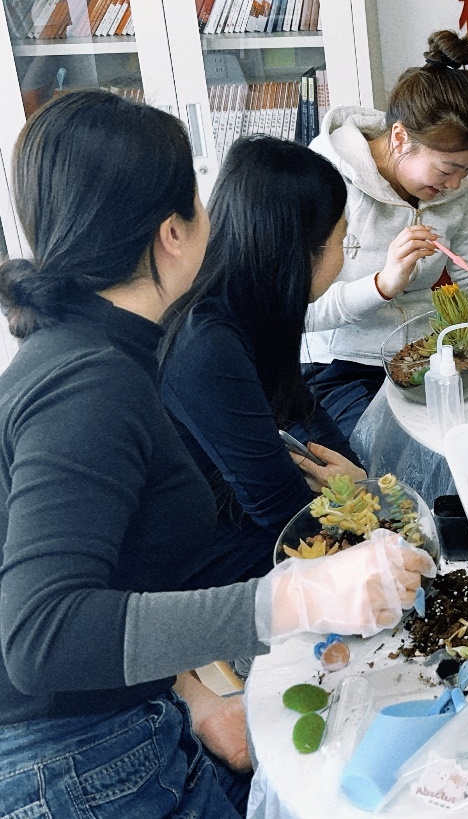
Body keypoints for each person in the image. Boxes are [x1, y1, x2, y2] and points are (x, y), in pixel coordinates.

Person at [0, 91, 432, 817]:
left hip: (120, 719)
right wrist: (296, 596)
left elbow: (117, 570)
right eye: (200, 204)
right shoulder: (90, 384)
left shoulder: (95, 350)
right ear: (173, 232)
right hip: (75, 761)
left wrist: (194, 697)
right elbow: (43, 634)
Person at [304, 29, 468, 438]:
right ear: (400, 138)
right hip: (339, 369)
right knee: (386, 453)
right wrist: (381, 285)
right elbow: (298, 313)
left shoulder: (452, 194)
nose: (456, 185)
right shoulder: (323, 181)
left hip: (427, 357)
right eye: (447, 169)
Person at [160, 135, 365, 587]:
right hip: (194, 554)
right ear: (303, 250)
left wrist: (358, 479)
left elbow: (301, 406)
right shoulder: (205, 342)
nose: (344, 258)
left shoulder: (247, 307)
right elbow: (279, 508)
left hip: (234, 511)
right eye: (343, 240)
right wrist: (361, 506)